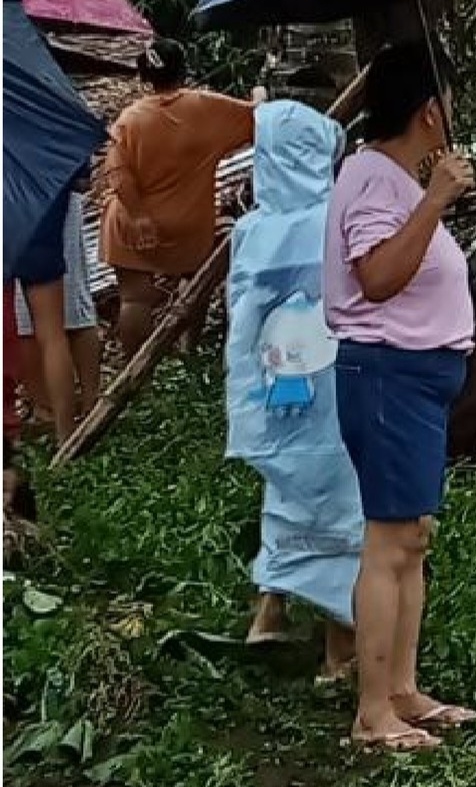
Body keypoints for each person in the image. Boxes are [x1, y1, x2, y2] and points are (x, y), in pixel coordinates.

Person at [324, 40, 476, 751]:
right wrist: (439, 198)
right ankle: (370, 712)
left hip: (416, 378)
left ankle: (402, 688)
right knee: (389, 543)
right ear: (429, 109)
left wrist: (433, 196)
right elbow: (378, 276)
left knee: (412, 538)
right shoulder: (370, 176)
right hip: (386, 375)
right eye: (448, 99)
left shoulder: (396, 179)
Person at [229, 101, 361, 680]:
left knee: (284, 496)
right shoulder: (338, 217)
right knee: (343, 509)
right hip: (333, 398)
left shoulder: (250, 229)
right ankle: (339, 650)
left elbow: (242, 314)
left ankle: (269, 612)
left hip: (273, 394)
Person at [101, 38, 260, 357]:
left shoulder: (129, 120)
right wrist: (260, 94)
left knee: (134, 299)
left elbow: (116, 173)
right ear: (183, 71)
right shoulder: (208, 108)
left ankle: (137, 374)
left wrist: (137, 214)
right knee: (194, 284)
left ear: (143, 78)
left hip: (133, 223)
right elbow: (260, 119)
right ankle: (189, 351)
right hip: (188, 226)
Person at [12, 184, 102, 443]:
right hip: (50, 195)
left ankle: (60, 411)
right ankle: (67, 410)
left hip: (30, 204)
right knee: (57, 319)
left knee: (41, 323)